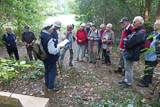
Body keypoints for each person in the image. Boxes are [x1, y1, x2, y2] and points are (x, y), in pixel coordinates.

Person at [119, 16, 147, 88]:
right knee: (127, 67)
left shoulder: (141, 32)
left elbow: (130, 43)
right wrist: (127, 41)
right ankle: (126, 80)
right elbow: (126, 39)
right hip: (129, 52)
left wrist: (127, 42)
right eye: (133, 21)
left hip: (132, 52)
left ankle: (128, 82)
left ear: (140, 23)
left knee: (129, 68)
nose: (133, 23)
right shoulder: (136, 31)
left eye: (135, 22)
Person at [40, 24, 63, 92]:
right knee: (52, 72)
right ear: (48, 29)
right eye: (52, 29)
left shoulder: (42, 34)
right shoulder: (49, 38)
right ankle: (50, 87)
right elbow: (52, 51)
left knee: (47, 70)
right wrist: (59, 48)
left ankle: (47, 84)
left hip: (44, 57)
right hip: (50, 58)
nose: (53, 30)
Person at [137, 20, 160, 87]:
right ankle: (149, 80)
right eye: (154, 24)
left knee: (149, 68)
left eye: (157, 24)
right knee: (148, 67)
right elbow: (146, 41)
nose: (155, 25)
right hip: (148, 54)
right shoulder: (152, 33)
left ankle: (145, 82)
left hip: (154, 55)